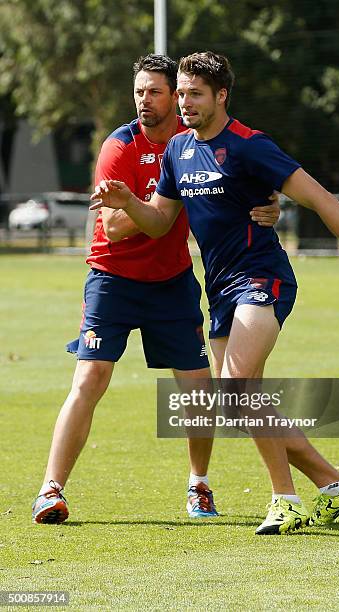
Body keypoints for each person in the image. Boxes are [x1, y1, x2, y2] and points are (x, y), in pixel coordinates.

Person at [90, 51, 339, 535]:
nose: (185, 103)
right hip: (219, 289)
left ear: (221, 96)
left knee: (237, 384)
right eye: (183, 93)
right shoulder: (178, 151)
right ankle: (335, 484)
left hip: (262, 276)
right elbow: (159, 221)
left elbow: (320, 198)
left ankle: (285, 499)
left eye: (195, 94)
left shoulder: (251, 146)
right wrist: (129, 201)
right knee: (240, 401)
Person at [31, 54, 281, 525]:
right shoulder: (120, 147)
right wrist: (157, 204)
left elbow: (240, 188)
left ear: (178, 96)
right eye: (139, 92)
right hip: (112, 280)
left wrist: (269, 208)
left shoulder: (197, 145)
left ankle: (199, 485)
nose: (144, 101)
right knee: (90, 378)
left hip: (171, 282)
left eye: (155, 92)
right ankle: (50, 489)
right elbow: (116, 226)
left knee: (197, 388)